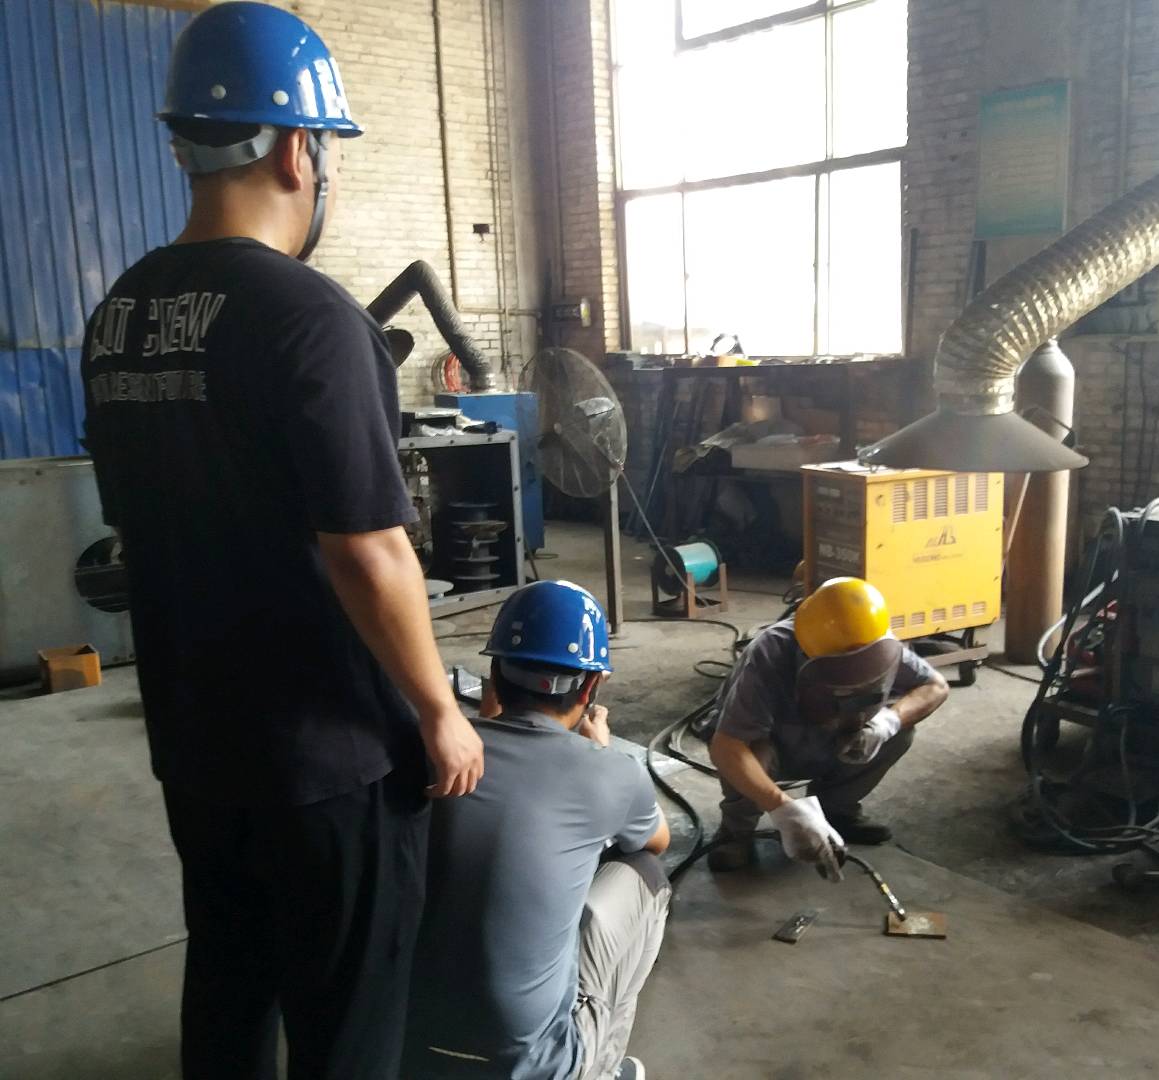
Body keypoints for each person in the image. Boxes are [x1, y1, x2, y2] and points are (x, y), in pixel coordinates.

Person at [79, 4, 484, 1077]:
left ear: (186, 145)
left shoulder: (118, 315)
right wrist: (439, 711)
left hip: (197, 739)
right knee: (347, 1019)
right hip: (328, 755)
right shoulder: (308, 313)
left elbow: (137, 517)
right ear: (301, 147)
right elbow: (368, 549)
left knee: (229, 984)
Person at [405, 580, 671, 1080]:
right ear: (590, 688)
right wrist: (600, 751)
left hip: (406, 1041)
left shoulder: (432, 751)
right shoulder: (610, 773)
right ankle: (600, 1069)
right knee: (646, 872)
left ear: (493, 673)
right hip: (530, 1065)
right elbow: (656, 840)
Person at [706, 577, 949, 877]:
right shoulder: (770, 651)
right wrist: (783, 808)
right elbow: (727, 747)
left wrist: (887, 723)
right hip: (778, 743)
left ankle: (836, 811)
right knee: (751, 748)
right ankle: (736, 830)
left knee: (902, 733)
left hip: (835, 738)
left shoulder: (875, 641)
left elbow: (935, 686)